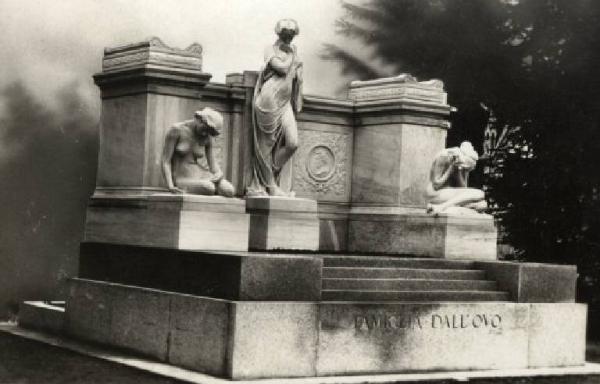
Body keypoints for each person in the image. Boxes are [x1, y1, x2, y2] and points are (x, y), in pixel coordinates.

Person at [247, 18, 303, 197]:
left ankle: (269, 174)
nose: (289, 38)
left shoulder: (293, 51)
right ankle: (269, 185)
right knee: (266, 144)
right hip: (269, 99)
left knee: (293, 143)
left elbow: (296, 75)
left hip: (285, 102)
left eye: (292, 35)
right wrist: (294, 57)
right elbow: (282, 69)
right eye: (286, 34)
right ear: (279, 34)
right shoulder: (270, 50)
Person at [161, 108, 234, 197]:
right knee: (208, 188)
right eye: (205, 128)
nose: (205, 133)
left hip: (201, 175)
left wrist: (219, 174)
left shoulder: (207, 137)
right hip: (182, 177)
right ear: (199, 119)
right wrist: (170, 186)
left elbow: (213, 164)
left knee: (229, 190)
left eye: (209, 131)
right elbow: (166, 161)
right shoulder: (176, 130)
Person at [425, 141, 487, 215]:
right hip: (435, 193)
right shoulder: (443, 156)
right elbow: (437, 185)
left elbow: (463, 189)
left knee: (483, 205)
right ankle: (442, 207)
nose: (465, 170)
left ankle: (446, 206)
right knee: (479, 193)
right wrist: (451, 168)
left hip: (448, 194)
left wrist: (459, 171)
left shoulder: (461, 163)